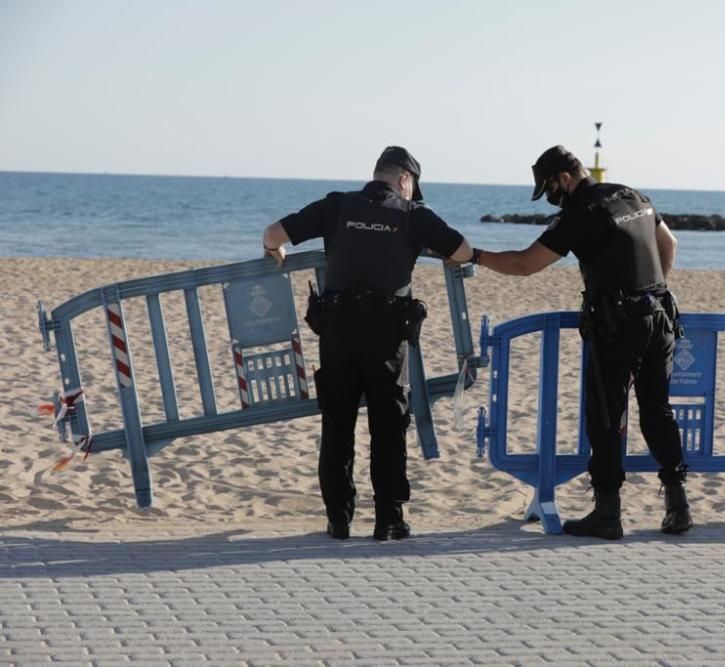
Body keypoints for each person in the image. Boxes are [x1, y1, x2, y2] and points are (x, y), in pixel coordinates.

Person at [470, 145, 692, 540]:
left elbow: (525, 264)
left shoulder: (579, 214)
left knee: (605, 417)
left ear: (564, 179)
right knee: (657, 409)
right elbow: (669, 245)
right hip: (660, 317)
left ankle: (608, 513)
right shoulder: (632, 195)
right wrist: (653, 289)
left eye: (550, 189)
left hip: (618, 325)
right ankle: (678, 506)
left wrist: (476, 255)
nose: (550, 197)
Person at [262, 146, 473, 541]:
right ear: (405, 180)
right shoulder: (413, 215)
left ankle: (338, 520)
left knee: (338, 425)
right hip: (387, 335)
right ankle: (389, 520)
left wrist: (274, 251)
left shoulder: (337, 206)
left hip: (337, 332)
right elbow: (461, 250)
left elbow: (272, 234)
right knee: (389, 427)